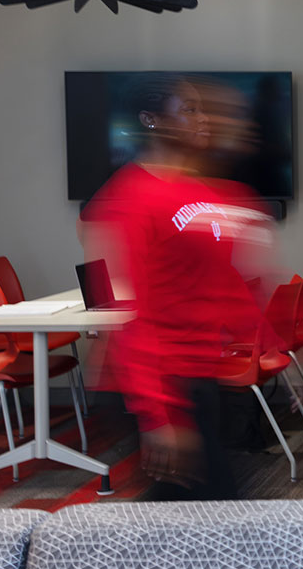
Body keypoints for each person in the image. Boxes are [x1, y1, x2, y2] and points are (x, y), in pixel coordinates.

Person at [82, 74, 280, 500]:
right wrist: (156, 415)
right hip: (157, 381)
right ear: (150, 120)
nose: (203, 118)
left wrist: (267, 343)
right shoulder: (128, 198)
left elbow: (223, 282)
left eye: (201, 108)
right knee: (201, 511)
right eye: (189, 109)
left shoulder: (200, 192)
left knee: (196, 511)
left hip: (199, 372)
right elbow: (128, 314)